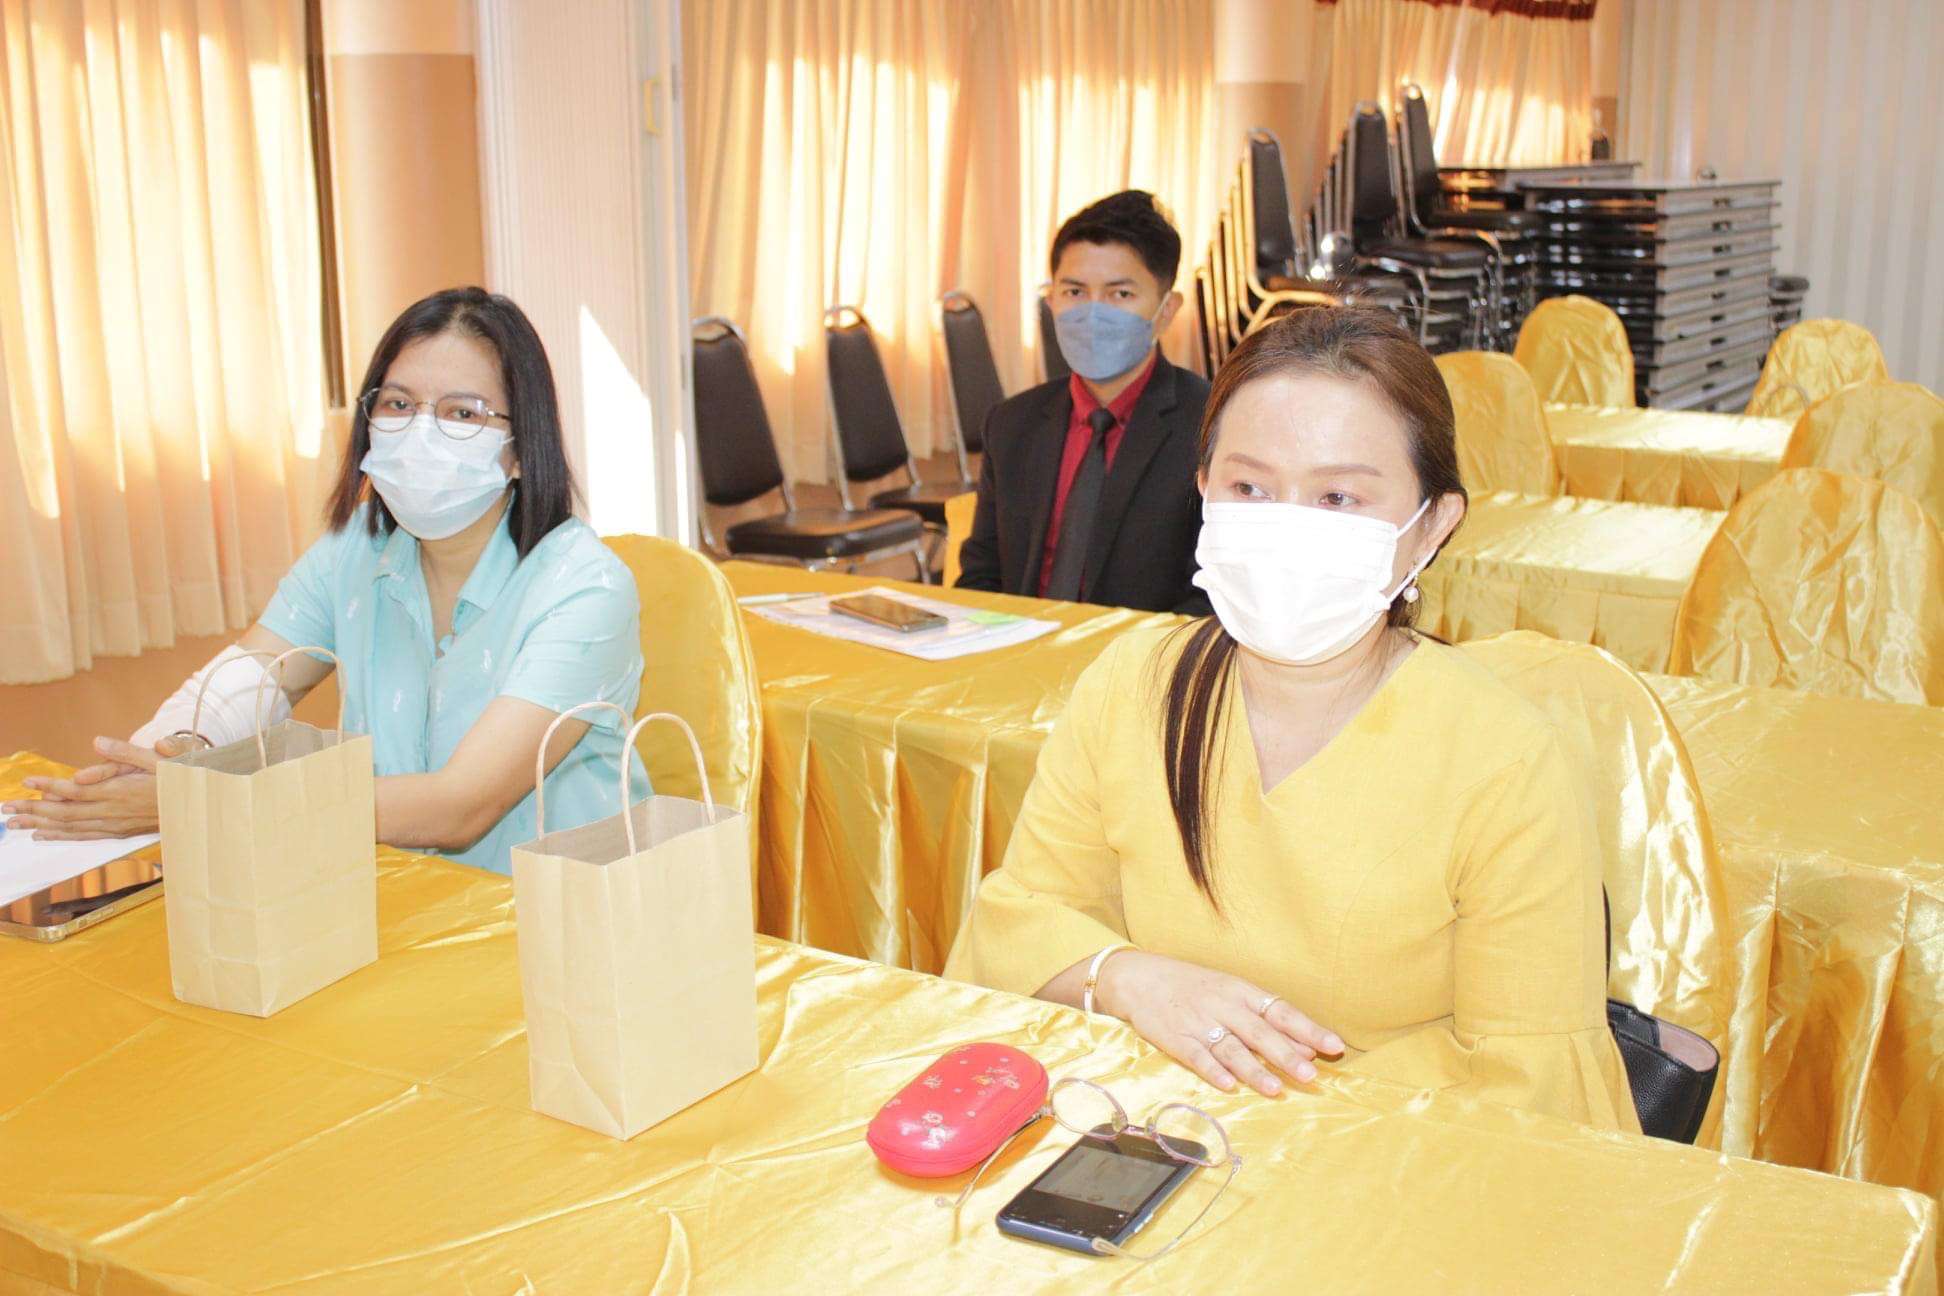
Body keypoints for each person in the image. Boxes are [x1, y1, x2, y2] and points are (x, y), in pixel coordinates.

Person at [945, 307, 1639, 1132]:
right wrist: (1125, 978)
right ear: (1203, 488)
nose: (1287, 524)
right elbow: (1018, 922)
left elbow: (1533, 1088)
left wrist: (1280, 1114)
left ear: (1432, 526)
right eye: (1250, 488)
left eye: (1338, 496)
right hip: (1148, 1140)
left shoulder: (1505, 762)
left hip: (1389, 1166)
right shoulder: (1133, 686)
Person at [3, 287, 646, 875]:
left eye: (463, 413)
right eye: (399, 404)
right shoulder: (356, 546)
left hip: (560, 916)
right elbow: (257, 674)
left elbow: (458, 807)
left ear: (521, 449)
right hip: (396, 895)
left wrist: (198, 800)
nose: (421, 431)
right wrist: (173, 755)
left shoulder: (585, 589)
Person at [955, 190, 1211, 614]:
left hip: (1142, 652)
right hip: (1023, 647)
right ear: (1051, 299)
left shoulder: (1210, 427)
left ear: (1166, 310)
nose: (1093, 313)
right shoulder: (1011, 424)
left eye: (1120, 294)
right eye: (1074, 291)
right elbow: (981, 577)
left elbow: (1209, 595)